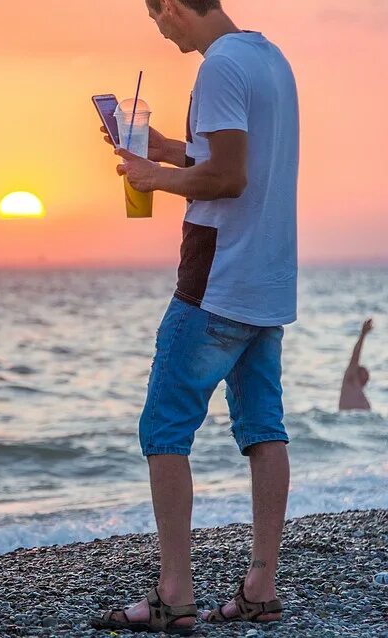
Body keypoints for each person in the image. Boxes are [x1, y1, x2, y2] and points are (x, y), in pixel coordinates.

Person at [91, 0, 299, 633]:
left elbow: (229, 179)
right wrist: (172, 151)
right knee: (264, 428)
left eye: (158, 18)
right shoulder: (271, 59)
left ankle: (173, 593)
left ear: (175, 6)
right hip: (267, 278)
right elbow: (235, 162)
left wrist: (153, 175)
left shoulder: (219, 67)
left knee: (163, 430)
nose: (161, 31)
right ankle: (261, 585)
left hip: (216, 280)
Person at [339, 319, 373, 411]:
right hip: (347, 420)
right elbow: (355, 357)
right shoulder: (350, 381)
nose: (367, 373)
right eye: (364, 370)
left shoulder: (360, 393)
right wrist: (363, 334)